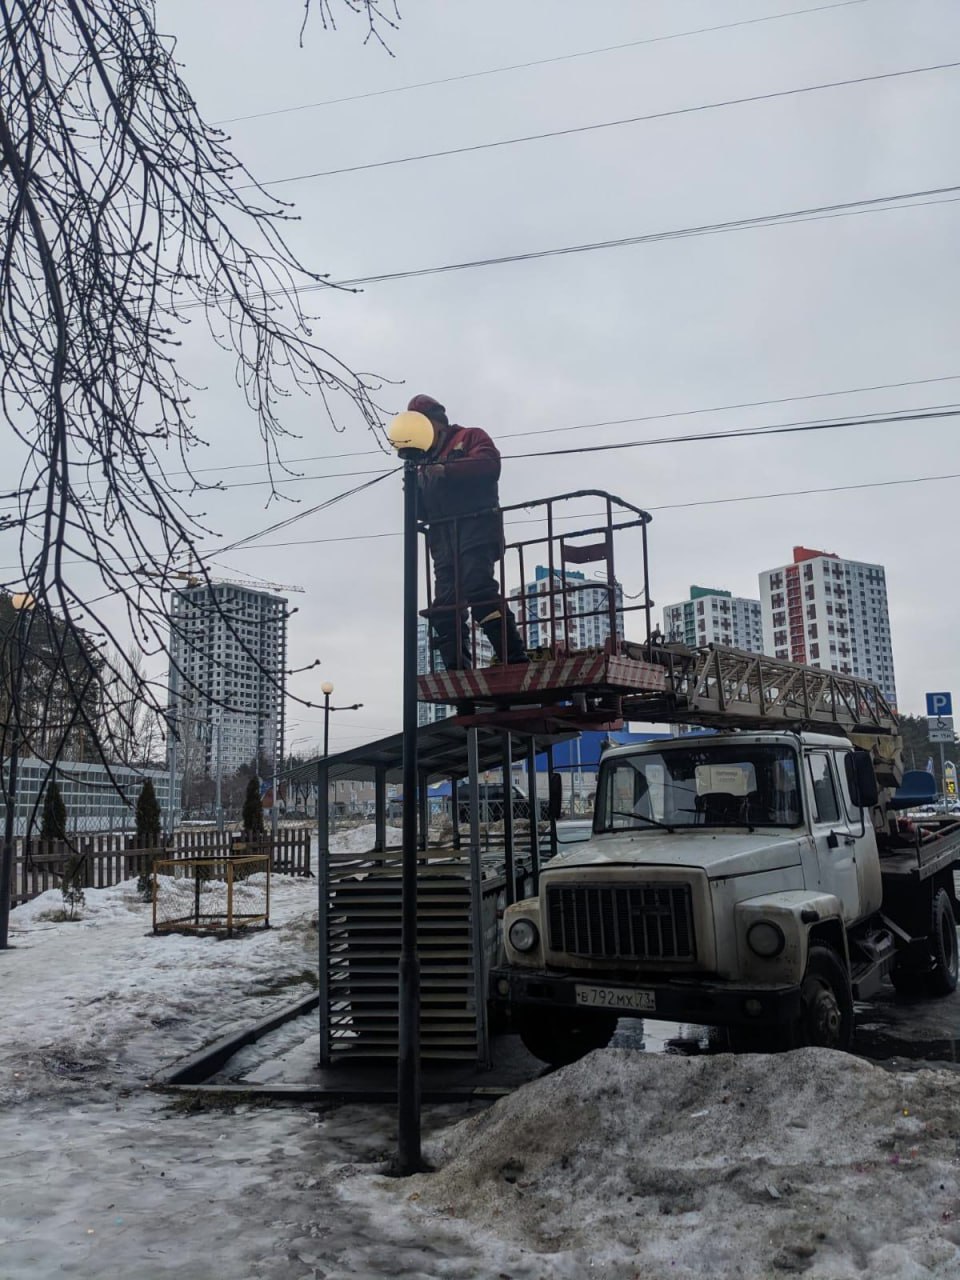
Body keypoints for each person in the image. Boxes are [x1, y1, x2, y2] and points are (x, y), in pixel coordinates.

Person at [407, 393, 528, 670]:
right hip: (443, 543)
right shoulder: (424, 462)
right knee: (444, 607)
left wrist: (447, 470)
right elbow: (422, 511)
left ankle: (514, 659)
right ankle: (457, 669)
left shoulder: (471, 437)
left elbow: (488, 465)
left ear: (436, 423)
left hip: (476, 531)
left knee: (479, 589)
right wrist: (412, 491)